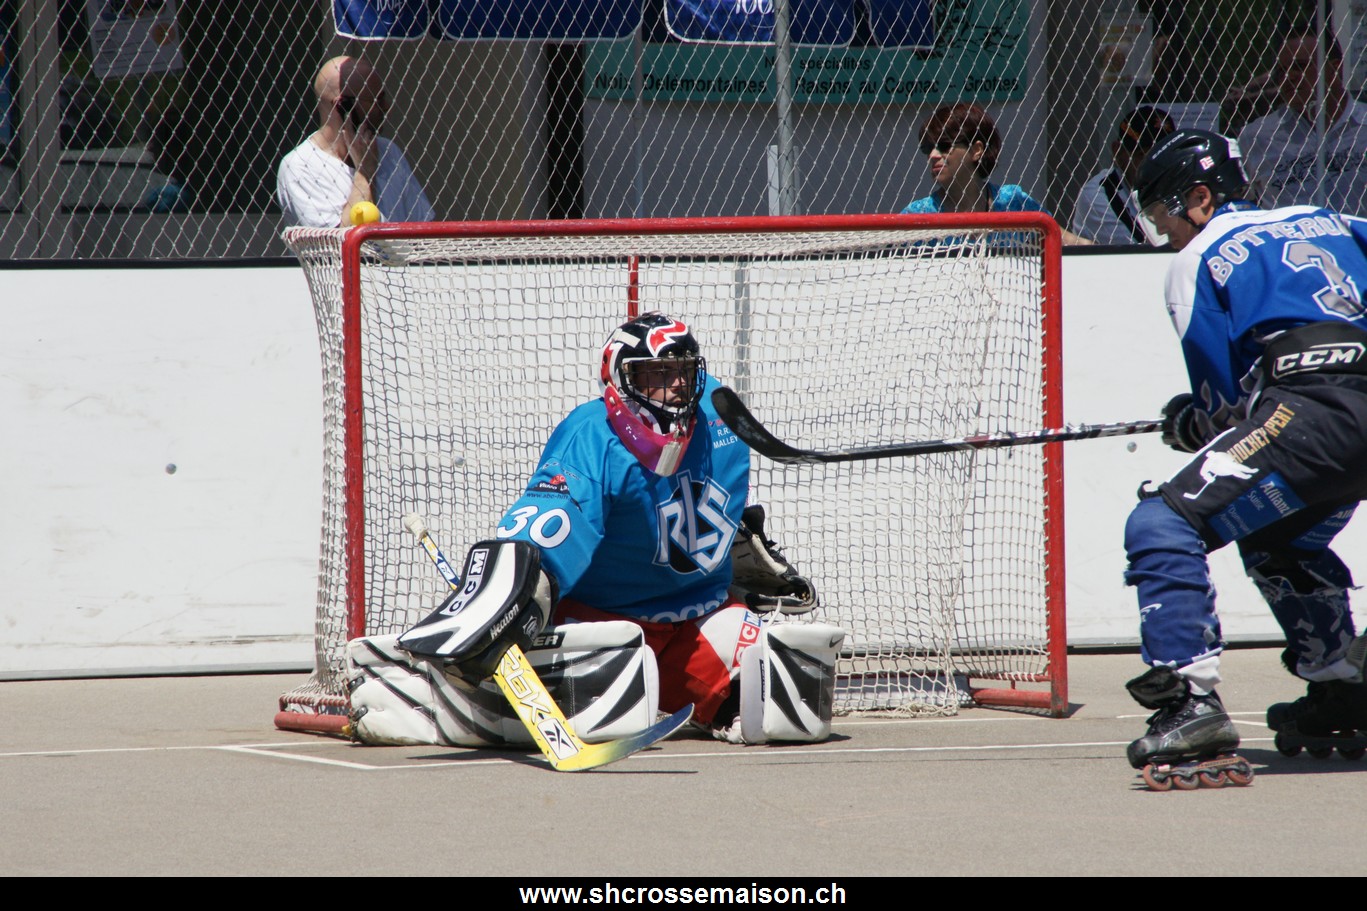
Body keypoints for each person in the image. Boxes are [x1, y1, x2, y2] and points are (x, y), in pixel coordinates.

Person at [346, 312, 839, 750]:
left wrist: (737, 542)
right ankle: (421, 687)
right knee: (613, 712)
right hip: (603, 622)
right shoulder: (591, 436)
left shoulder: (720, 415)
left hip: (699, 615)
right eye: (655, 374)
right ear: (621, 380)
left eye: (683, 372)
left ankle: (700, 699)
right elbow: (539, 543)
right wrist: (501, 611)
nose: (674, 387)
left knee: (792, 702)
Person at [1123, 127, 1367, 789]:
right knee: (1276, 537)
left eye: (1161, 213)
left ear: (1199, 198)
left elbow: (1227, 409)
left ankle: (1190, 702)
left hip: (1313, 416)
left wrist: (1190, 422)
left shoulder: (1199, 256)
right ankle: (1341, 689)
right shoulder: (1330, 217)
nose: (1162, 231)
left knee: (1162, 523)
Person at [276, 55, 434, 228]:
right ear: (343, 106)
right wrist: (364, 172)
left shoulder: (389, 151)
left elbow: (422, 225)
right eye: (376, 100)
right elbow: (340, 240)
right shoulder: (301, 167)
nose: (386, 106)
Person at [901, 102, 1092, 245]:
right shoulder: (917, 215)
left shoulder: (1012, 202)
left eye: (944, 146)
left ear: (977, 150)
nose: (933, 155)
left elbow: (1067, 241)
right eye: (927, 149)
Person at [1238, 31, 1367, 214]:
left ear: (1335, 68)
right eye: (1281, 71)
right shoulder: (1257, 138)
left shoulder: (1363, 125)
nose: (1288, 77)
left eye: (1300, 66)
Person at [1070, 105, 1175, 245]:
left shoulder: (1180, 183)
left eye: (1163, 155)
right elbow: (1148, 250)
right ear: (1118, 152)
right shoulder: (1101, 193)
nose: (1155, 165)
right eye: (1142, 155)